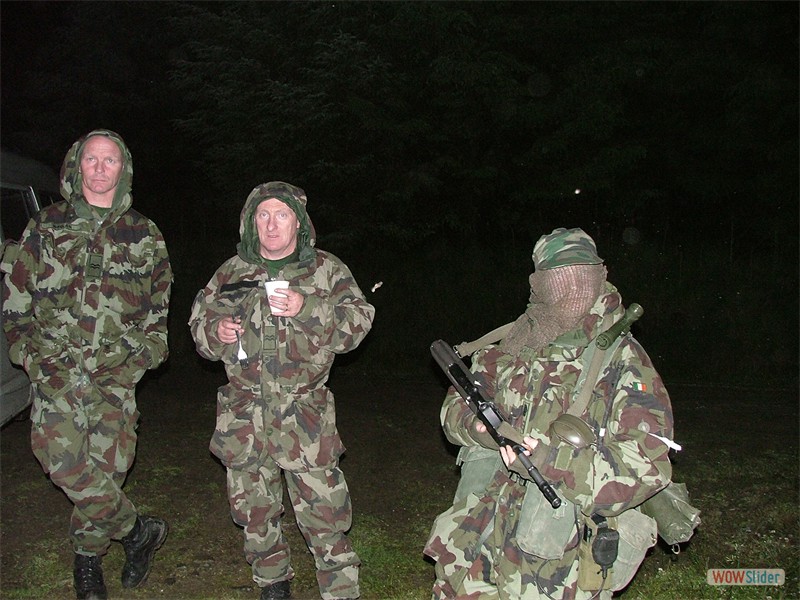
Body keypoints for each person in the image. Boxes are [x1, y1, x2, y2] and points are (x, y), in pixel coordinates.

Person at [424, 228, 676, 599]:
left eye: (580, 277)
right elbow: (455, 404)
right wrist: (477, 427)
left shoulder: (623, 361)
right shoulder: (516, 341)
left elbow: (648, 465)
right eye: (559, 279)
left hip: (557, 566)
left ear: (599, 276)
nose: (571, 290)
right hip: (476, 541)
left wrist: (551, 461)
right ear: (539, 283)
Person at [1, 130, 173, 600]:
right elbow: (16, 305)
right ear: (76, 166)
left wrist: (136, 362)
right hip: (56, 370)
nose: (100, 168)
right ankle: (138, 531)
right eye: (91, 159)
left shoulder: (145, 235)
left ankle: (88, 562)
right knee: (59, 459)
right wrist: (30, 357)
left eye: (110, 160)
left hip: (115, 377)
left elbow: (158, 319)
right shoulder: (44, 227)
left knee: (108, 467)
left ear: (124, 169)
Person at [188, 181, 374, 600]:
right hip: (244, 414)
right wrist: (215, 331)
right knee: (254, 513)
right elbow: (199, 327)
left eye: (282, 215)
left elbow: (357, 324)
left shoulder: (327, 269)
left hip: (303, 415)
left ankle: (341, 590)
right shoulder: (231, 271)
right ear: (251, 223)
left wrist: (306, 307)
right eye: (263, 216)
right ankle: (273, 583)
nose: (272, 225)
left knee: (326, 515)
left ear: (299, 223)